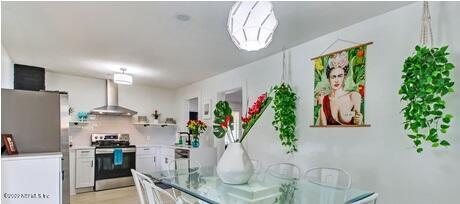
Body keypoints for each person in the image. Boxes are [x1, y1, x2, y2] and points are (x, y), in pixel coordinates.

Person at [317, 51, 362, 125]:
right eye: (333, 77)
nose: (337, 80)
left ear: (344, 77)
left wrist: (359, 121)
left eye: (340, 76)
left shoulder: (354, 96)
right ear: (329, 79)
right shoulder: (324, 99)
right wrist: (321, 105)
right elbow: (322, 127)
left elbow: (357, 126)